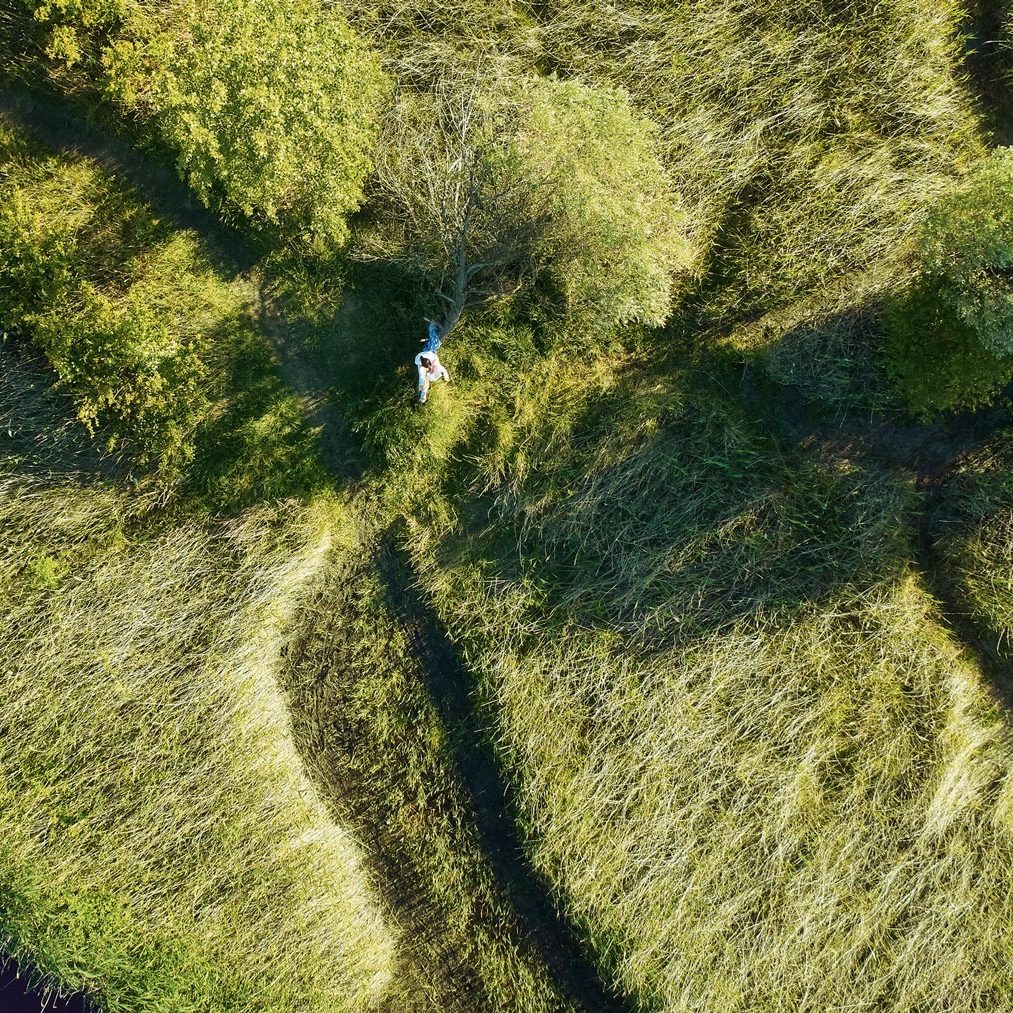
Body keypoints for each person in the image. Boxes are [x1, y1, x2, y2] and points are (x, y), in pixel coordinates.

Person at [415, 320, 450, 403]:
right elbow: (422, 377)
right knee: (424, 380)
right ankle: (423, 394)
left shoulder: (433, 358)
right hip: (425, 356)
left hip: (430, 353)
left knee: (435, 342)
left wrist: (446, 377)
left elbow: (442, 368)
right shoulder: (420, 365)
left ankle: (433, 327)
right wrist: (421, 385)